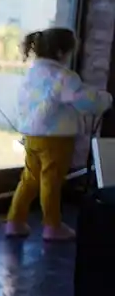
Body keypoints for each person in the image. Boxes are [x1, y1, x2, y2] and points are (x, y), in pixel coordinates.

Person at [6, 27, 113, 240]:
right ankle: (52, 226)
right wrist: (105, 99)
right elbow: (84, 100)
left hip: (32, 134)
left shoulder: (32, 73)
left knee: (29, 179)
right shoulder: (64, 76)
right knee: (51, 181)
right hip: (56, 137)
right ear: (62, 52)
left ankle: (14, 222)